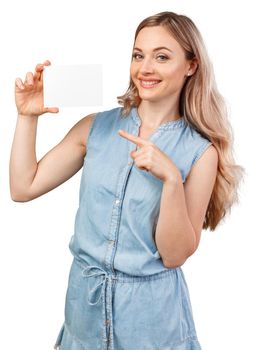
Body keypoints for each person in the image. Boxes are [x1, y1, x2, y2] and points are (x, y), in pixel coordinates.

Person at [9, 11, 244, 350]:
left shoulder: (200, 152)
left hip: (150, 326)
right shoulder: (96, 127)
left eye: (162, 57)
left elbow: (174, 255)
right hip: (83, 316)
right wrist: (27, 117)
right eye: (138, 55)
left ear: (191, 65)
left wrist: (171, 180)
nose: (145, 68)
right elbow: (23, 187)